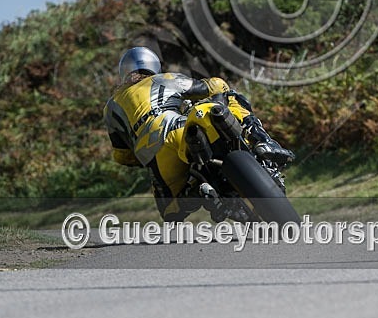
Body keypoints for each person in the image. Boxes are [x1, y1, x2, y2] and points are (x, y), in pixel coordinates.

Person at [102, 46, 294, 222]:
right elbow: (216, 85)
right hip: (180, 129)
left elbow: (122, 156)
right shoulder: (163, 79)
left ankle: (199, 190)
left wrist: (141, 155)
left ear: (124, 72)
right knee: (231, 96)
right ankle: (262, 141)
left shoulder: (111, 106)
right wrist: (219, 97)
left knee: (170, 212)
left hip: (158, 159)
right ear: (154, 66)